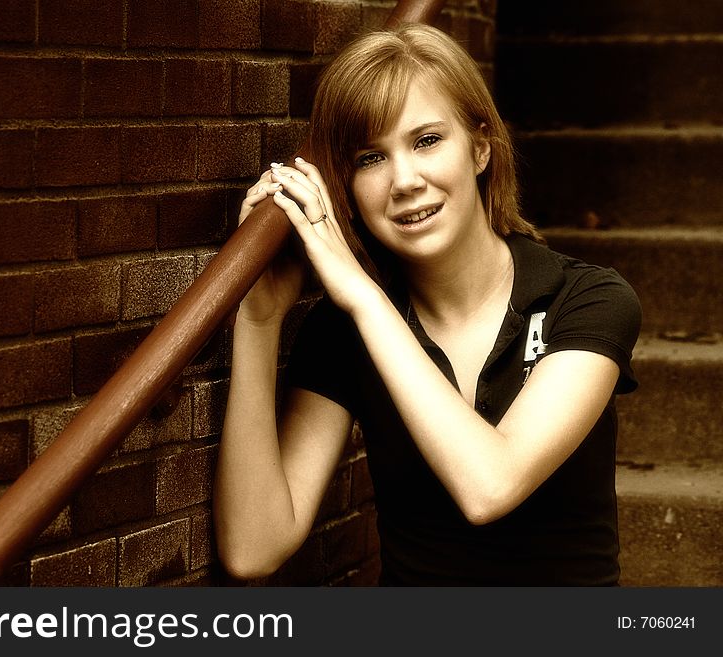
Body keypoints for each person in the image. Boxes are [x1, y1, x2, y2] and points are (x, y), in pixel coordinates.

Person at [212, 23, 642, 586]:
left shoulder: (586, 298)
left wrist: (364, 299)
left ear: (480, 147)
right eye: (370, 158)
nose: (404, 180)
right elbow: (254, 548)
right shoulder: (343, 331)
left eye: (427, 140)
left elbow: (490, 486)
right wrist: (259, 319)